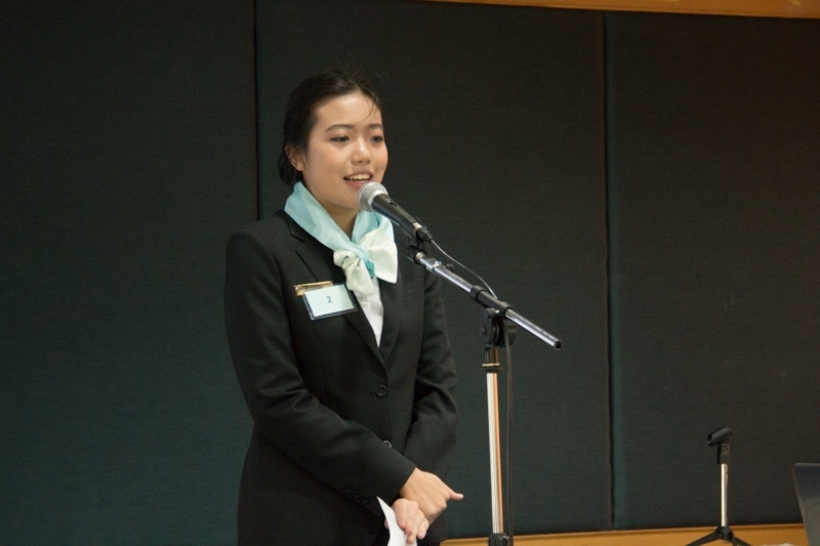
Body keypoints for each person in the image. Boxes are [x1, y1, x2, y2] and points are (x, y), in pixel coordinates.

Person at [224, 70, 462, 546]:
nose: (363, 154)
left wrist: (413, 489)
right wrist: (397, 476)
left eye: (375, 137)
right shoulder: (262, 250)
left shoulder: (408, 250)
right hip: (306, 519)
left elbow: (437, 389)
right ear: (297, 154)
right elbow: (278, 401)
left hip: (409, 522)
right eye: (340, 138)